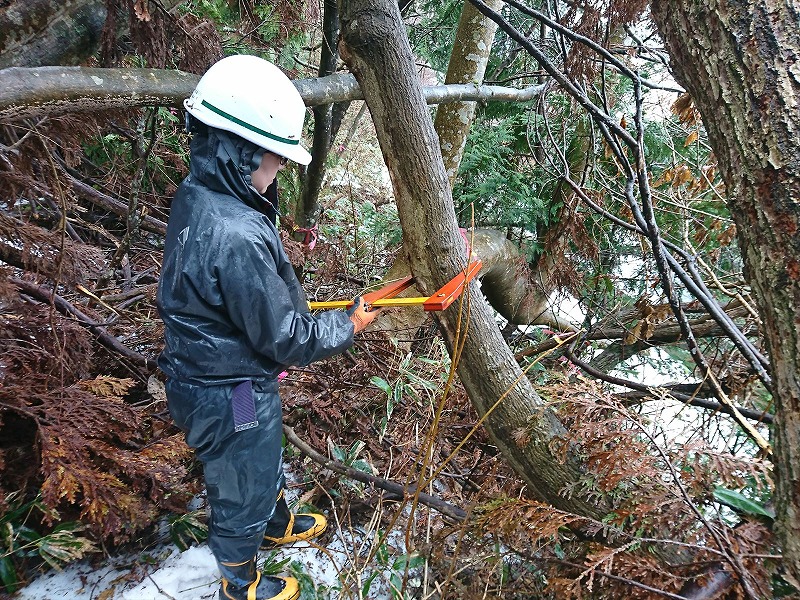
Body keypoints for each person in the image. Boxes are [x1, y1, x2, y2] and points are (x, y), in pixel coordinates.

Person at [157, 54, 378, 600]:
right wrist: (347, 326)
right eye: (276, 162)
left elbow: (240, 301)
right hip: (228, 391)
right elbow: (285, 337)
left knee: (262, 455)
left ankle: (273, 524)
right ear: (239, 151)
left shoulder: (201, 195)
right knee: (241, 482)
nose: (278, 172)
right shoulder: (237, 235)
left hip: (217, 372)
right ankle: (240, 580)